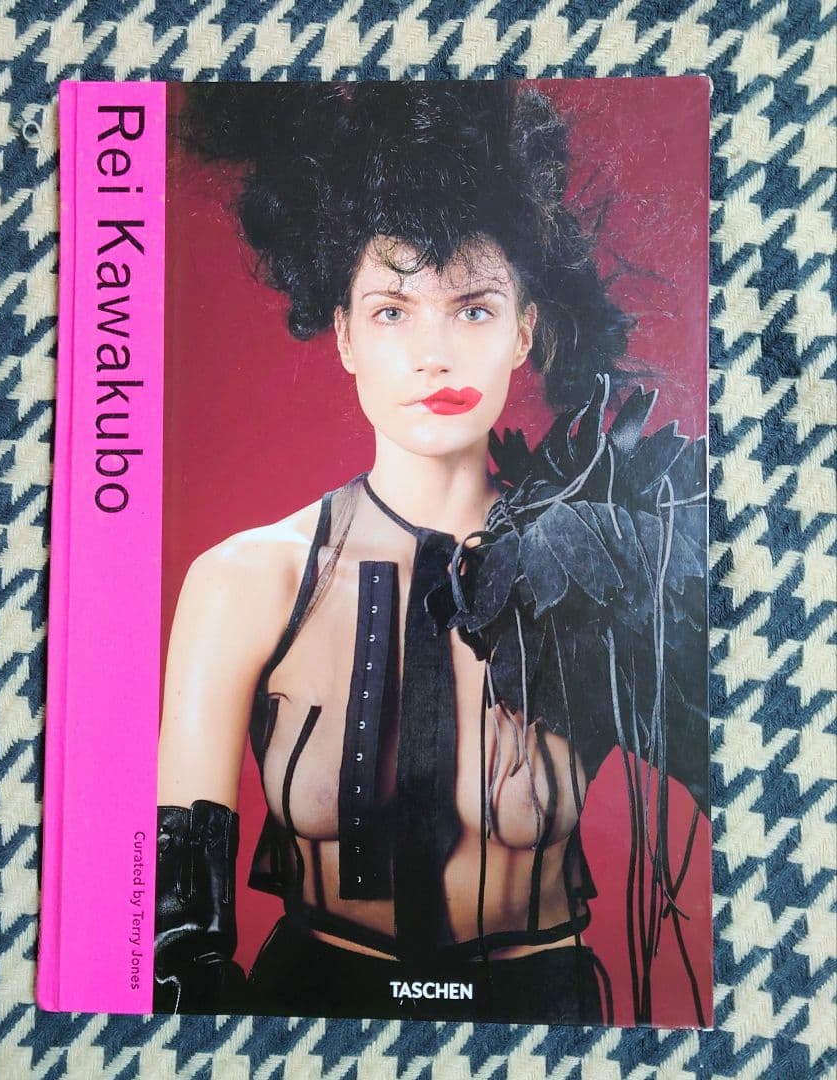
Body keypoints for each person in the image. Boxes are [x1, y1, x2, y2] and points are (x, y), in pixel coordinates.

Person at [153, 82, 708, 1024]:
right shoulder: (243, 581)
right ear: (342, 335)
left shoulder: (618, 568)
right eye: (393, 311)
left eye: (475, 310)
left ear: (525, 331)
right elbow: (177, 942)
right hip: (312, 1022)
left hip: (543, 1027)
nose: (435, 354)